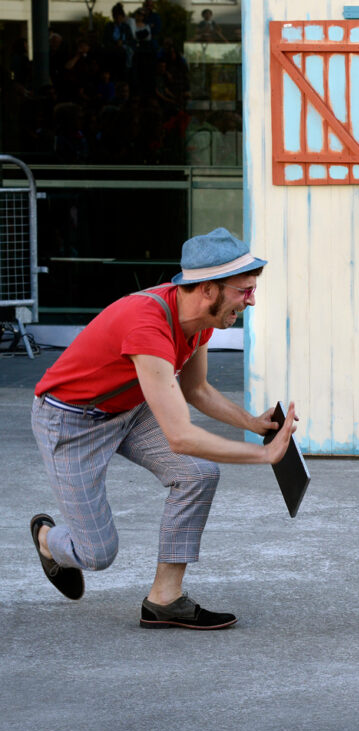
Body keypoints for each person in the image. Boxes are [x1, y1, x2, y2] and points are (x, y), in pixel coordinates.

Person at [30, 228, 298, 630]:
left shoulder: (199, 320)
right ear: (208, 289)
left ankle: (164, 600)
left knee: (198, 474)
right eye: (244, 291)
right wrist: (262, 454)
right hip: (70, 422)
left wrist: (252, 423)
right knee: (98, 553)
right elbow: (181, 435)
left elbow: (196, 389)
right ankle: (48, 541)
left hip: (129, 409)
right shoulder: (147, 325)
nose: (252, 299)